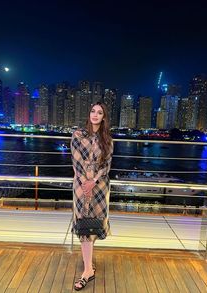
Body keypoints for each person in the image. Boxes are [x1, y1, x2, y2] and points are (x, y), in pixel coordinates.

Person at [71, 102, 113, 291]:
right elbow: (76, 161)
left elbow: (106, 165)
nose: (95, 115)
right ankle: (88, 270)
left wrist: (94, 181)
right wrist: (84, 181)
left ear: (104, 117)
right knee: (83, 224)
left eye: (99, 112)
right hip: (81, 185)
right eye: (93, 111)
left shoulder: (107, 139)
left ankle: (88, 266)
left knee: (94, 223)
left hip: (100, 186)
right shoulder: (78, 135)